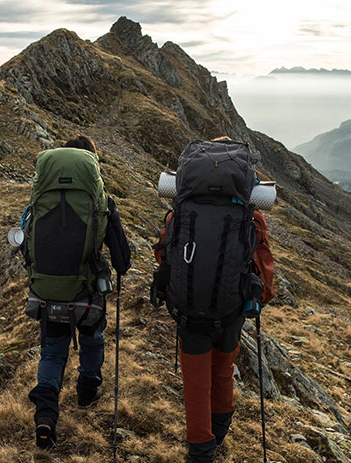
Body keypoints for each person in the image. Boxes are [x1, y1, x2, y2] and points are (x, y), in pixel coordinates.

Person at [152, 137, 275, 462]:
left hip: (190, 308)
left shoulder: (180, 212)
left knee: (195, 379)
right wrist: (258, 296)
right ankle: (220, 426)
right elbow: (263, 265)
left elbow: (164, 252)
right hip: (230, 308)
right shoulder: (251, 217)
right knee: (222, 369)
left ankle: (201, 449)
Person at [23, 135, 131, 450]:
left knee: (53, 352)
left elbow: (28, 246)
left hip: (47, 290)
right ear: (92, 165)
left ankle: (45, 416)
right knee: (93, 339)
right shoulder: (102, 201)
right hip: (87, 293)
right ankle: (87, 392)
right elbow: (123, 260)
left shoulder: (39, 198)